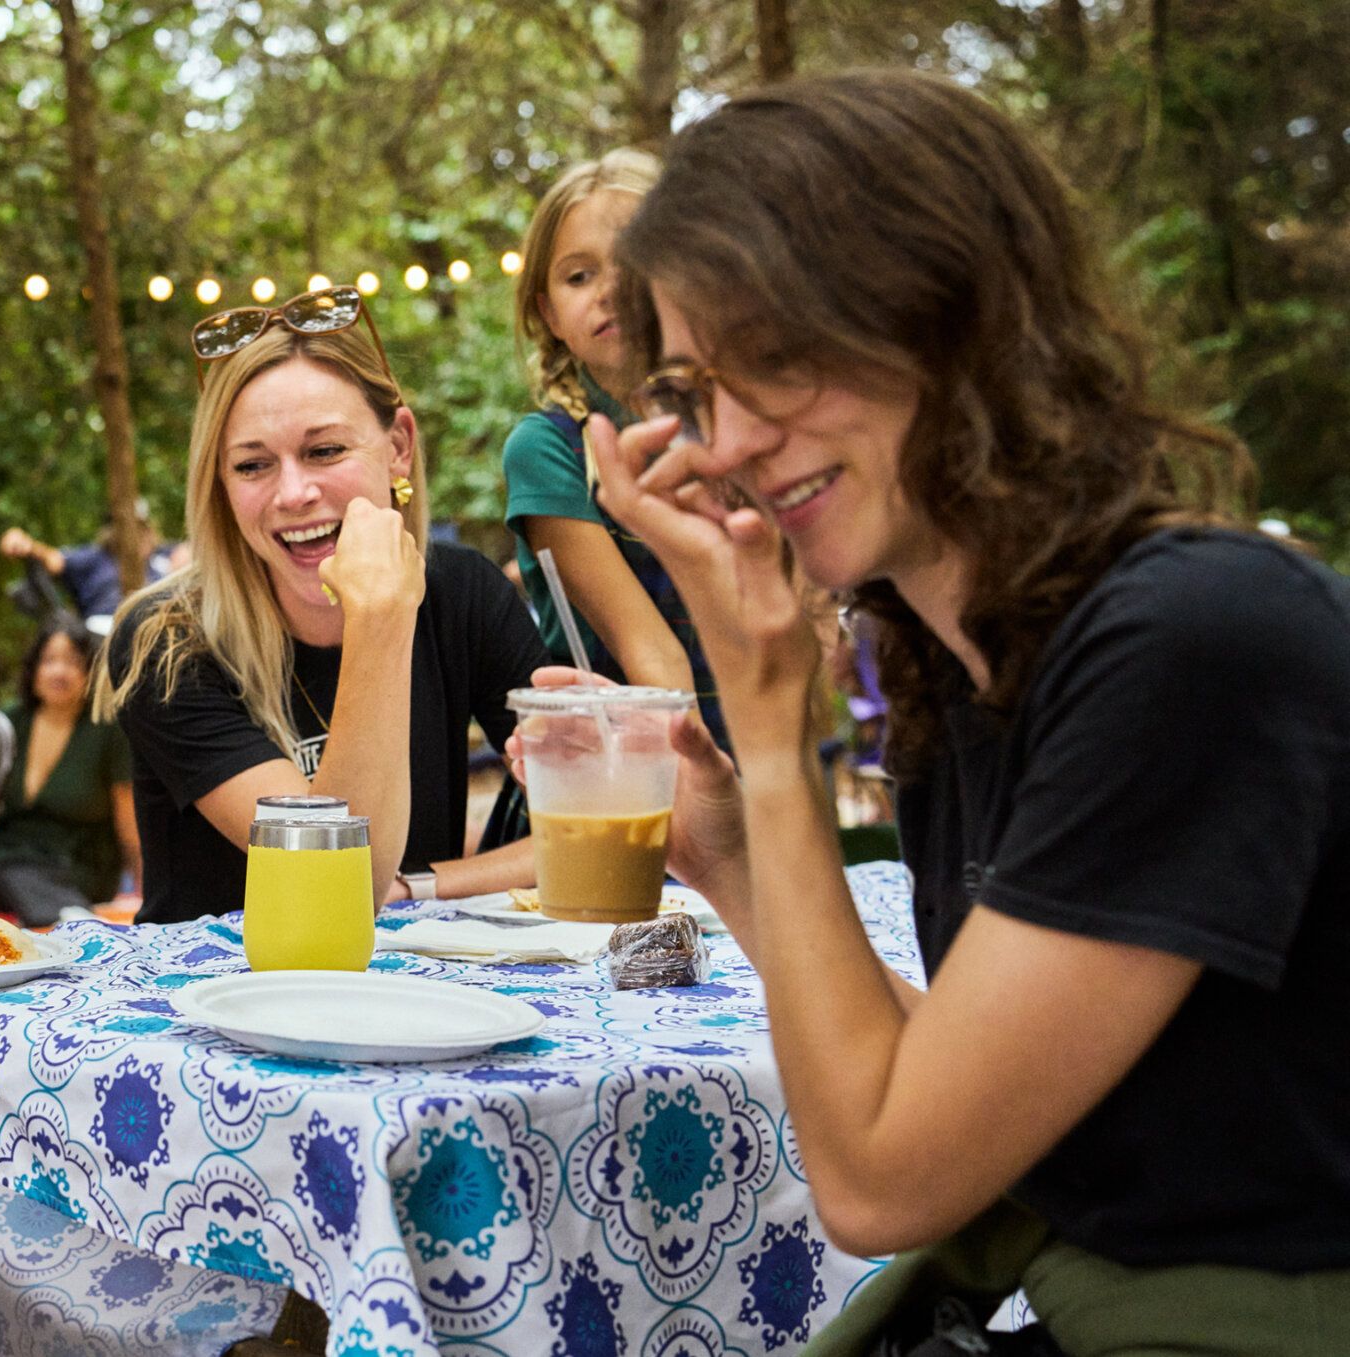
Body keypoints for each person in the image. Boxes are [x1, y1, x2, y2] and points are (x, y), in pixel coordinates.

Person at [576, 69, 1349, 1350]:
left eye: (781, 357)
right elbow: (955, 1095)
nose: (729, 444)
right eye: (699, 389)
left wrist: (773, 739)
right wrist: (735, 859)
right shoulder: (961, 669)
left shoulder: (1195, 641)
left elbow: (884, 1182)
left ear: (956, 316)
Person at [97, 287, 552, 922]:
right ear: (220, 485)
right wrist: (380, 619)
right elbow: (337, 881)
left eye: (325, 451)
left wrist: (422, 885)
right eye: (253, 466)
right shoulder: (168, 640)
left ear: (397, 447)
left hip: (418, 986)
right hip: (215, 997)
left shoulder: (462, 591)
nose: (294, 492)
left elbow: (600, 825)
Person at [502, 147, 727, 750]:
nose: (610, 290)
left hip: (761, 740)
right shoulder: (548, 450)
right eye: (579, 276)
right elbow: (651, 656)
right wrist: (718, 795)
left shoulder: (740, 421)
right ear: (548, 313)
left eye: (636, 262)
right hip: (630, 769)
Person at [0, 618, 139, 926]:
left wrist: (142, 887)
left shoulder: (108, 728)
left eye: (73, 662)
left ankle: (74, 922)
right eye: (50, 660)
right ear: (34, 670)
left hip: (74, 865)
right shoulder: (11, 721)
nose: (59, 672)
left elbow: (127, 812)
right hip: (5, 853)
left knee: (10, 873)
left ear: (91, 672)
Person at [1, 499, 182, 624]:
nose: (135, 537)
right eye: (127, 530)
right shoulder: (95, 559)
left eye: (141, 529)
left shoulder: (166, 556)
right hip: (100, 635)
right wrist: (28, 545)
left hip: (157, 634)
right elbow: (54, 560)